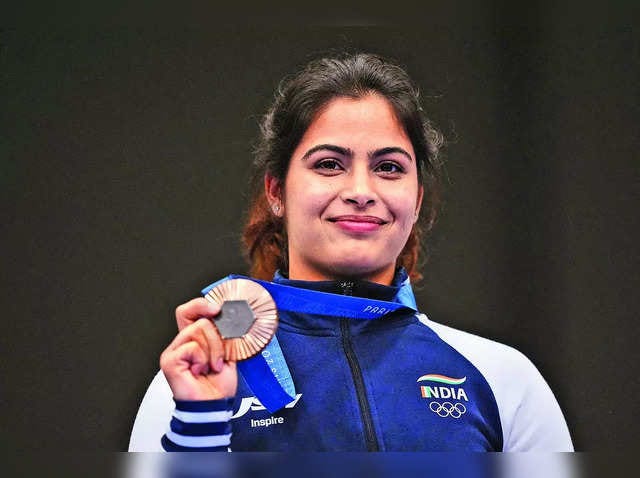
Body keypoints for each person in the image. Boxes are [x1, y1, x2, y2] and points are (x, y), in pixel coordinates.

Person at [128, 52, 573, 452]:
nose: (361, 191)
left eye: (388, 167)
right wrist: (200, 425)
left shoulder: (502, 378)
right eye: (329, 164)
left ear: (416, 200)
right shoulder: (190, 382)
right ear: (277, 191)